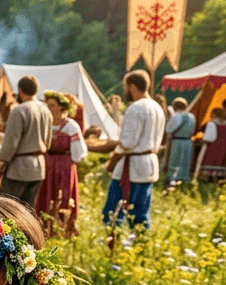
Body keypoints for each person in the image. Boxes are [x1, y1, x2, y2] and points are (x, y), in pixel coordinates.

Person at [102, 69, 165, 230]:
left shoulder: (135, 108)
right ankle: (139, 240)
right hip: (149, 163)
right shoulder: (157, 107)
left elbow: (128, 142)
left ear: (132, 87)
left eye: (125, 87)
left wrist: (112, 158)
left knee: (115, 210)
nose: (125, 91)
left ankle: (112, 238)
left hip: (133, 166)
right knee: (141, 211)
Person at [36, 91, 87, 238]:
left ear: (61, 107)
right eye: (48, 105)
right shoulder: (45, 123)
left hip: (64, 167)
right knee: (45, 194)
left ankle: (62, 229)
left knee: (63, 195)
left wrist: (66, 159)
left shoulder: (71, 126)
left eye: (52, 105)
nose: (49, 108)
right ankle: (44, 228)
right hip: (46, 165)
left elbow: (79, 153)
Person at [0, 75, 52, 207]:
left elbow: (11, 142)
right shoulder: (46, 110)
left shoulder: (19, 110)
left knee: (7, 208)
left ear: (20, 90)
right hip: (38, 167)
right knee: (28, 210)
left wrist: (0, 162)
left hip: (19, 168)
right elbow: (48, 142)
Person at [163, 98, 196, 184]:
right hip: (188, 141)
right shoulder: (191, 116)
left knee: (175, 160)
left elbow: (169, 129)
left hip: (177, 141)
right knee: (186, 161)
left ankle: (173, 178)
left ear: (175, 106)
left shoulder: (176, 116)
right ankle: (185, 178)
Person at [202, 106, 226, 170]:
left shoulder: (212, 123)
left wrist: (203, 140)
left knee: (211, 161)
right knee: (221, 161)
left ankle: (209, 174)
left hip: (213, 146)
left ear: (214, 114)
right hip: (224, 146)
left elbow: (209, 138)